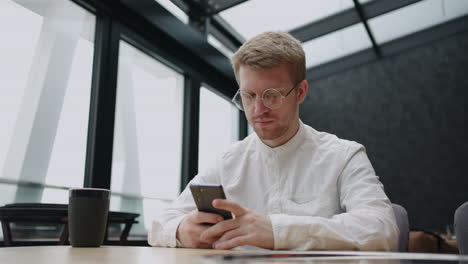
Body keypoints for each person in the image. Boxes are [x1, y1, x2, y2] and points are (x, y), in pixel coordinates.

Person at [148, 31, 399, 251]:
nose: (258, 109)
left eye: (272, 95)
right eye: (248, 96)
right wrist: (182, 230)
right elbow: (160, 224)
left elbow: (381, 229)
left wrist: (276, 230)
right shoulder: (228, 162)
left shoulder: (344, 156)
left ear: (300, 92)